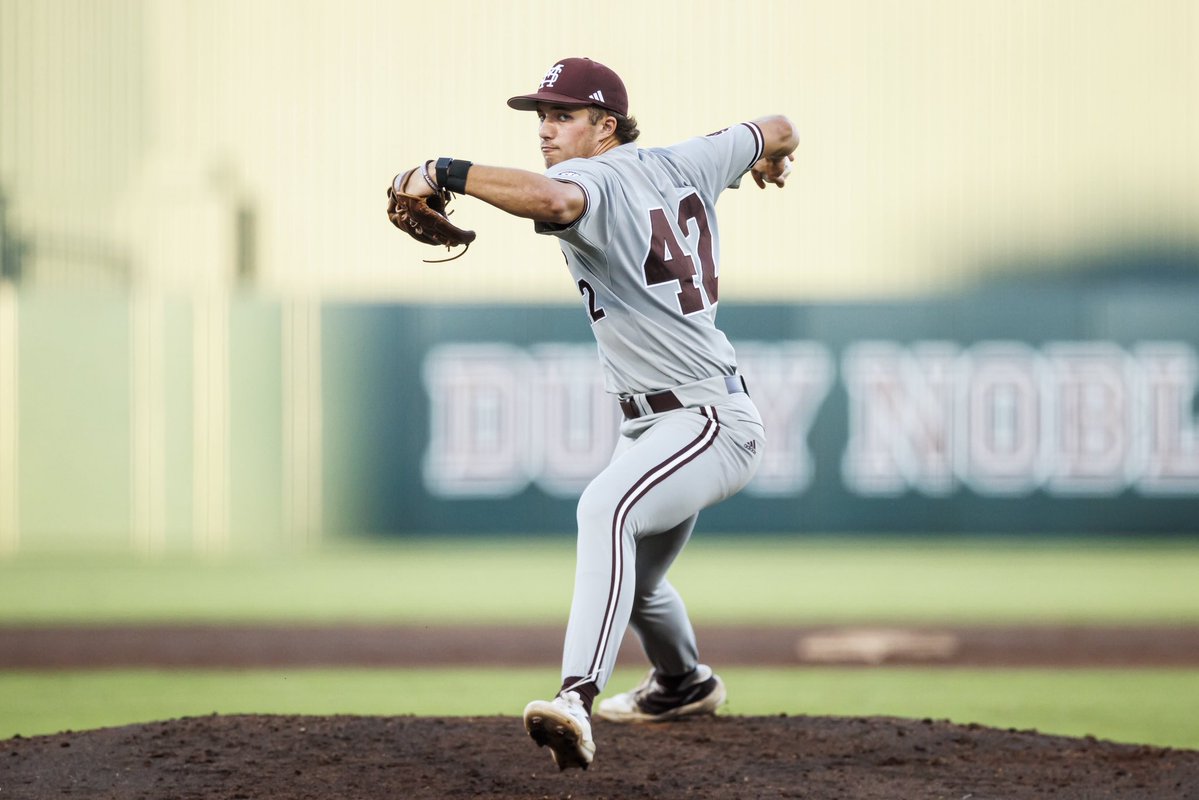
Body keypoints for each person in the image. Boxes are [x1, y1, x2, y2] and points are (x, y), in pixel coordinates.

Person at [392, 57, 797, 771]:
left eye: (562, 115)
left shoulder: (593, 178)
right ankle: (682, 683)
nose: (545, 130)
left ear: (605, 125)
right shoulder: (688, 159)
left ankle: (574, 698)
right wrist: (772, 156)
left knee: (605, 510)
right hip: (671, 418)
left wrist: (443, 169)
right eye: (540, 116)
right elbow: (777, 126)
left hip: (703, 420)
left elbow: (552, 202)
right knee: (633, 580)